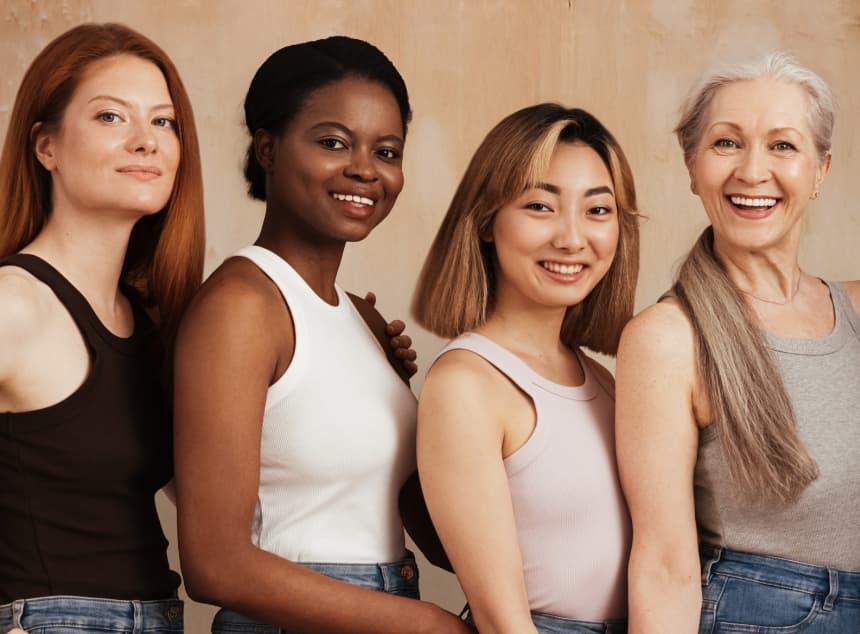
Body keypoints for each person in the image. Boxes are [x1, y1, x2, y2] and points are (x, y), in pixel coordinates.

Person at [172, 36, 471, 634]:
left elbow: (426, 520)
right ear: (267, 147)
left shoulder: (361, 320)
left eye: (387, 150)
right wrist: (427, 625)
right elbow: (215, 565)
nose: (364, 168)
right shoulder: (242, 306)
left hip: (387, 599)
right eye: (333, 142)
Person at [616, 52, 860, 633]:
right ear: (692, 165)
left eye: (783, 146)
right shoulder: (667, 339)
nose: (753, 172)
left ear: (821, 170)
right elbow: (665, 566)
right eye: (727, 143)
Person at [0, 22, 204, 634]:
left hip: (162, 619)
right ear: (46, 147)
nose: (146, 142)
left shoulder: (155, 322)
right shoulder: (12, 304)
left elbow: (219, 501)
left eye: (163, 122)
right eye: (112, 118)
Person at [412, 104, 640, 633]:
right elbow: (501, 622)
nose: (571, 238)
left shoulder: (602, 381)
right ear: (487, 220)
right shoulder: (466, 384)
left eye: (598, 211)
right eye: (541, 206)